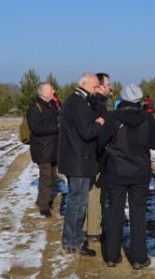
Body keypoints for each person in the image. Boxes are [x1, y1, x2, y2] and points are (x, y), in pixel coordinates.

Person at [99, 84, 155, 269]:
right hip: (140, 172)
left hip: (116, 171)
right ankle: (139, 257)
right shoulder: (147, 118)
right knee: (138, 213)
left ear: (123, 99)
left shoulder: (113, 118)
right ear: (140, 100)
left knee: (115, 212)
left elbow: (101, 140)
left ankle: (111, 255)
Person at [58, 73, 105, 256]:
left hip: (76, 159)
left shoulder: (75, 100)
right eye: (95, 87)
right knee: (77, 203)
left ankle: (73, 239)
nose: (96, 91)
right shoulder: (78, 103)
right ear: (86, 85)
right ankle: (72, 242)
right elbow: (87, 132)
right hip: (78, 161)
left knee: (77, 201)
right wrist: (99, 123)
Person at [83, 72, 112, 241]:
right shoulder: (98, 106)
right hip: (97, 155)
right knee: (95, 192)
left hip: (91, 155)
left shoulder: (92, 103)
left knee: (90, 191)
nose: (111, 89)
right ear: (100, 87)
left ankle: (87, 225)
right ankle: (93, 229)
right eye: (108, 85)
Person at [28, 82, 59, 217]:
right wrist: (56, 128)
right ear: (44, 92)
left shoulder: (52, 105)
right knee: (46, 177)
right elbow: (36, 128)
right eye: (51, 90)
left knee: (52, 177)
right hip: (43, 150)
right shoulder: (35, 108)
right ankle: (44, 206)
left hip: (53, 148)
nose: (54, 91)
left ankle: (42, 200)